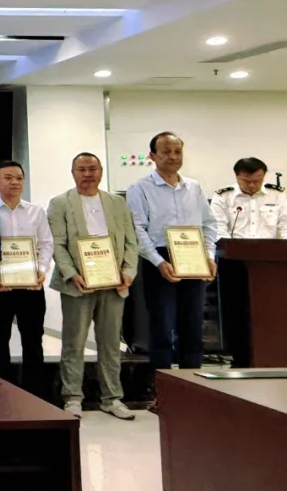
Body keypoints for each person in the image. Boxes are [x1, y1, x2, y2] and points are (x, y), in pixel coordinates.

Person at [48, 152, 138, 420]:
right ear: (73, 173)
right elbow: (57, 244)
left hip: (113, 283)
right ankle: (72, 398)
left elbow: (131, 241)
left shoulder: (117, 203)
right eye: (82, 169)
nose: (88, 174)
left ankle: (112, 398)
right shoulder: (60, 203)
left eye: (92, 169)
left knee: (110, 344)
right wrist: (72, 274)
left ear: (101, 171)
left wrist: (128, 271)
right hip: (78, 285)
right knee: (73, 343)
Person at [126, 132, 217, 373]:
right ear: (153, 156)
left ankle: (192, 381)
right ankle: (162, 385)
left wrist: (209, 255)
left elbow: (209, 224)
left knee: (193, 325)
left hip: (194, 257)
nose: (173, 157)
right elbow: (138, 229)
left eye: (177, 151)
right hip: (159, 259)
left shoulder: (194, 187)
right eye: (166, 152)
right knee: (162, 326)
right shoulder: (139, 188)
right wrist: (158, 262)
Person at [0, 160, 53, 397]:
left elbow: (46, 243)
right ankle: (1, 393)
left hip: (31, 287)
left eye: (19, 178)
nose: (14, 182)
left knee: (33, 340)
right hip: (0, 287)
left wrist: (41, 270)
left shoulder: (36, 211)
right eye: (8, 178)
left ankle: (34, 394)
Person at [210, 157, 287, 240]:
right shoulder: (223, 196)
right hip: (234, 245)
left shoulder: (276, 194)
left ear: (263, 176)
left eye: (257, 181)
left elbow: (285, 224)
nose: (251, 185)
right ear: (237, 177)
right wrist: (228, 246)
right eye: (246, 181)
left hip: (268, 246)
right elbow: (218, 228)